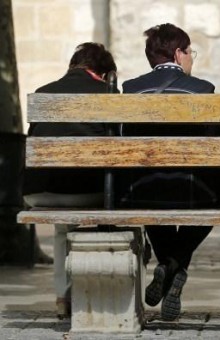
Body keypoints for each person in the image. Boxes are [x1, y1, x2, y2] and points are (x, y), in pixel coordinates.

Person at [120, 23, 216, 321]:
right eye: (190, 53)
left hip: (142, 188)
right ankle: (173, 264)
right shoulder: (203, 90)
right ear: (178, 53)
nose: (192, 59)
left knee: (151, 198)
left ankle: (166, 264)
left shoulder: (131, 89)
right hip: (191, 187)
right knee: (213, 201)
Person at [22, 42, 118, 318]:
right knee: (108, 208)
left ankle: (63, 296)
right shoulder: (108, 94)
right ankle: (99, 292)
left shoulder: (42, 94)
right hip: (90, 192)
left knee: (63, 226)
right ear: (103, 73)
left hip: (39, 192)